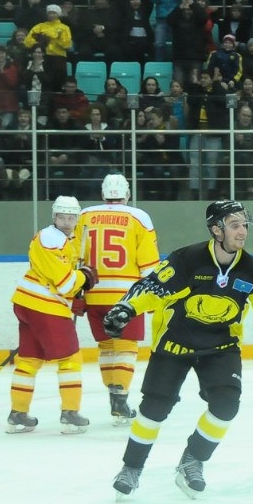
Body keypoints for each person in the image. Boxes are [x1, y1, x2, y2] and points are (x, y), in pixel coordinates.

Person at [103, 200, 253, 499]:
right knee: (154, 408)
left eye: (244, 224)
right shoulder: (187, 259)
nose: (242, 231)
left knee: (226, 405)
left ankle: (193, 460)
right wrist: (126, 308)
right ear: (216, 229)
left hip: (221, 346)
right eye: (234, 225)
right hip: (174, 342)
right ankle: (131, 467)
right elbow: (152, 288)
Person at [74, 174, 161, 427]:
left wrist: (75, 292)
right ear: (128, 194)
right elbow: (149, 264)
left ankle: (114, 396)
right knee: (126, 347)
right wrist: (153, 297)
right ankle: (120, 399)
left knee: (106, 347)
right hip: (127, 296)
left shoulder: (84, 216)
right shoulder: (139, 217)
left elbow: (74, 256)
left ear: (103, 194)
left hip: (93, 292)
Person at [5, 196, 98, 435]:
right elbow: (65, 283)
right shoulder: (50, 239)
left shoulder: (66, 239)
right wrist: (84, 277)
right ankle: (70, 413)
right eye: (62, 217)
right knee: (71, 358)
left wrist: (76, 293)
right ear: (54, 217)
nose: (66, 222)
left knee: (29, 359)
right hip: (45, 307)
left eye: (71, 218)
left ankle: (18, 414)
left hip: (29, 303)